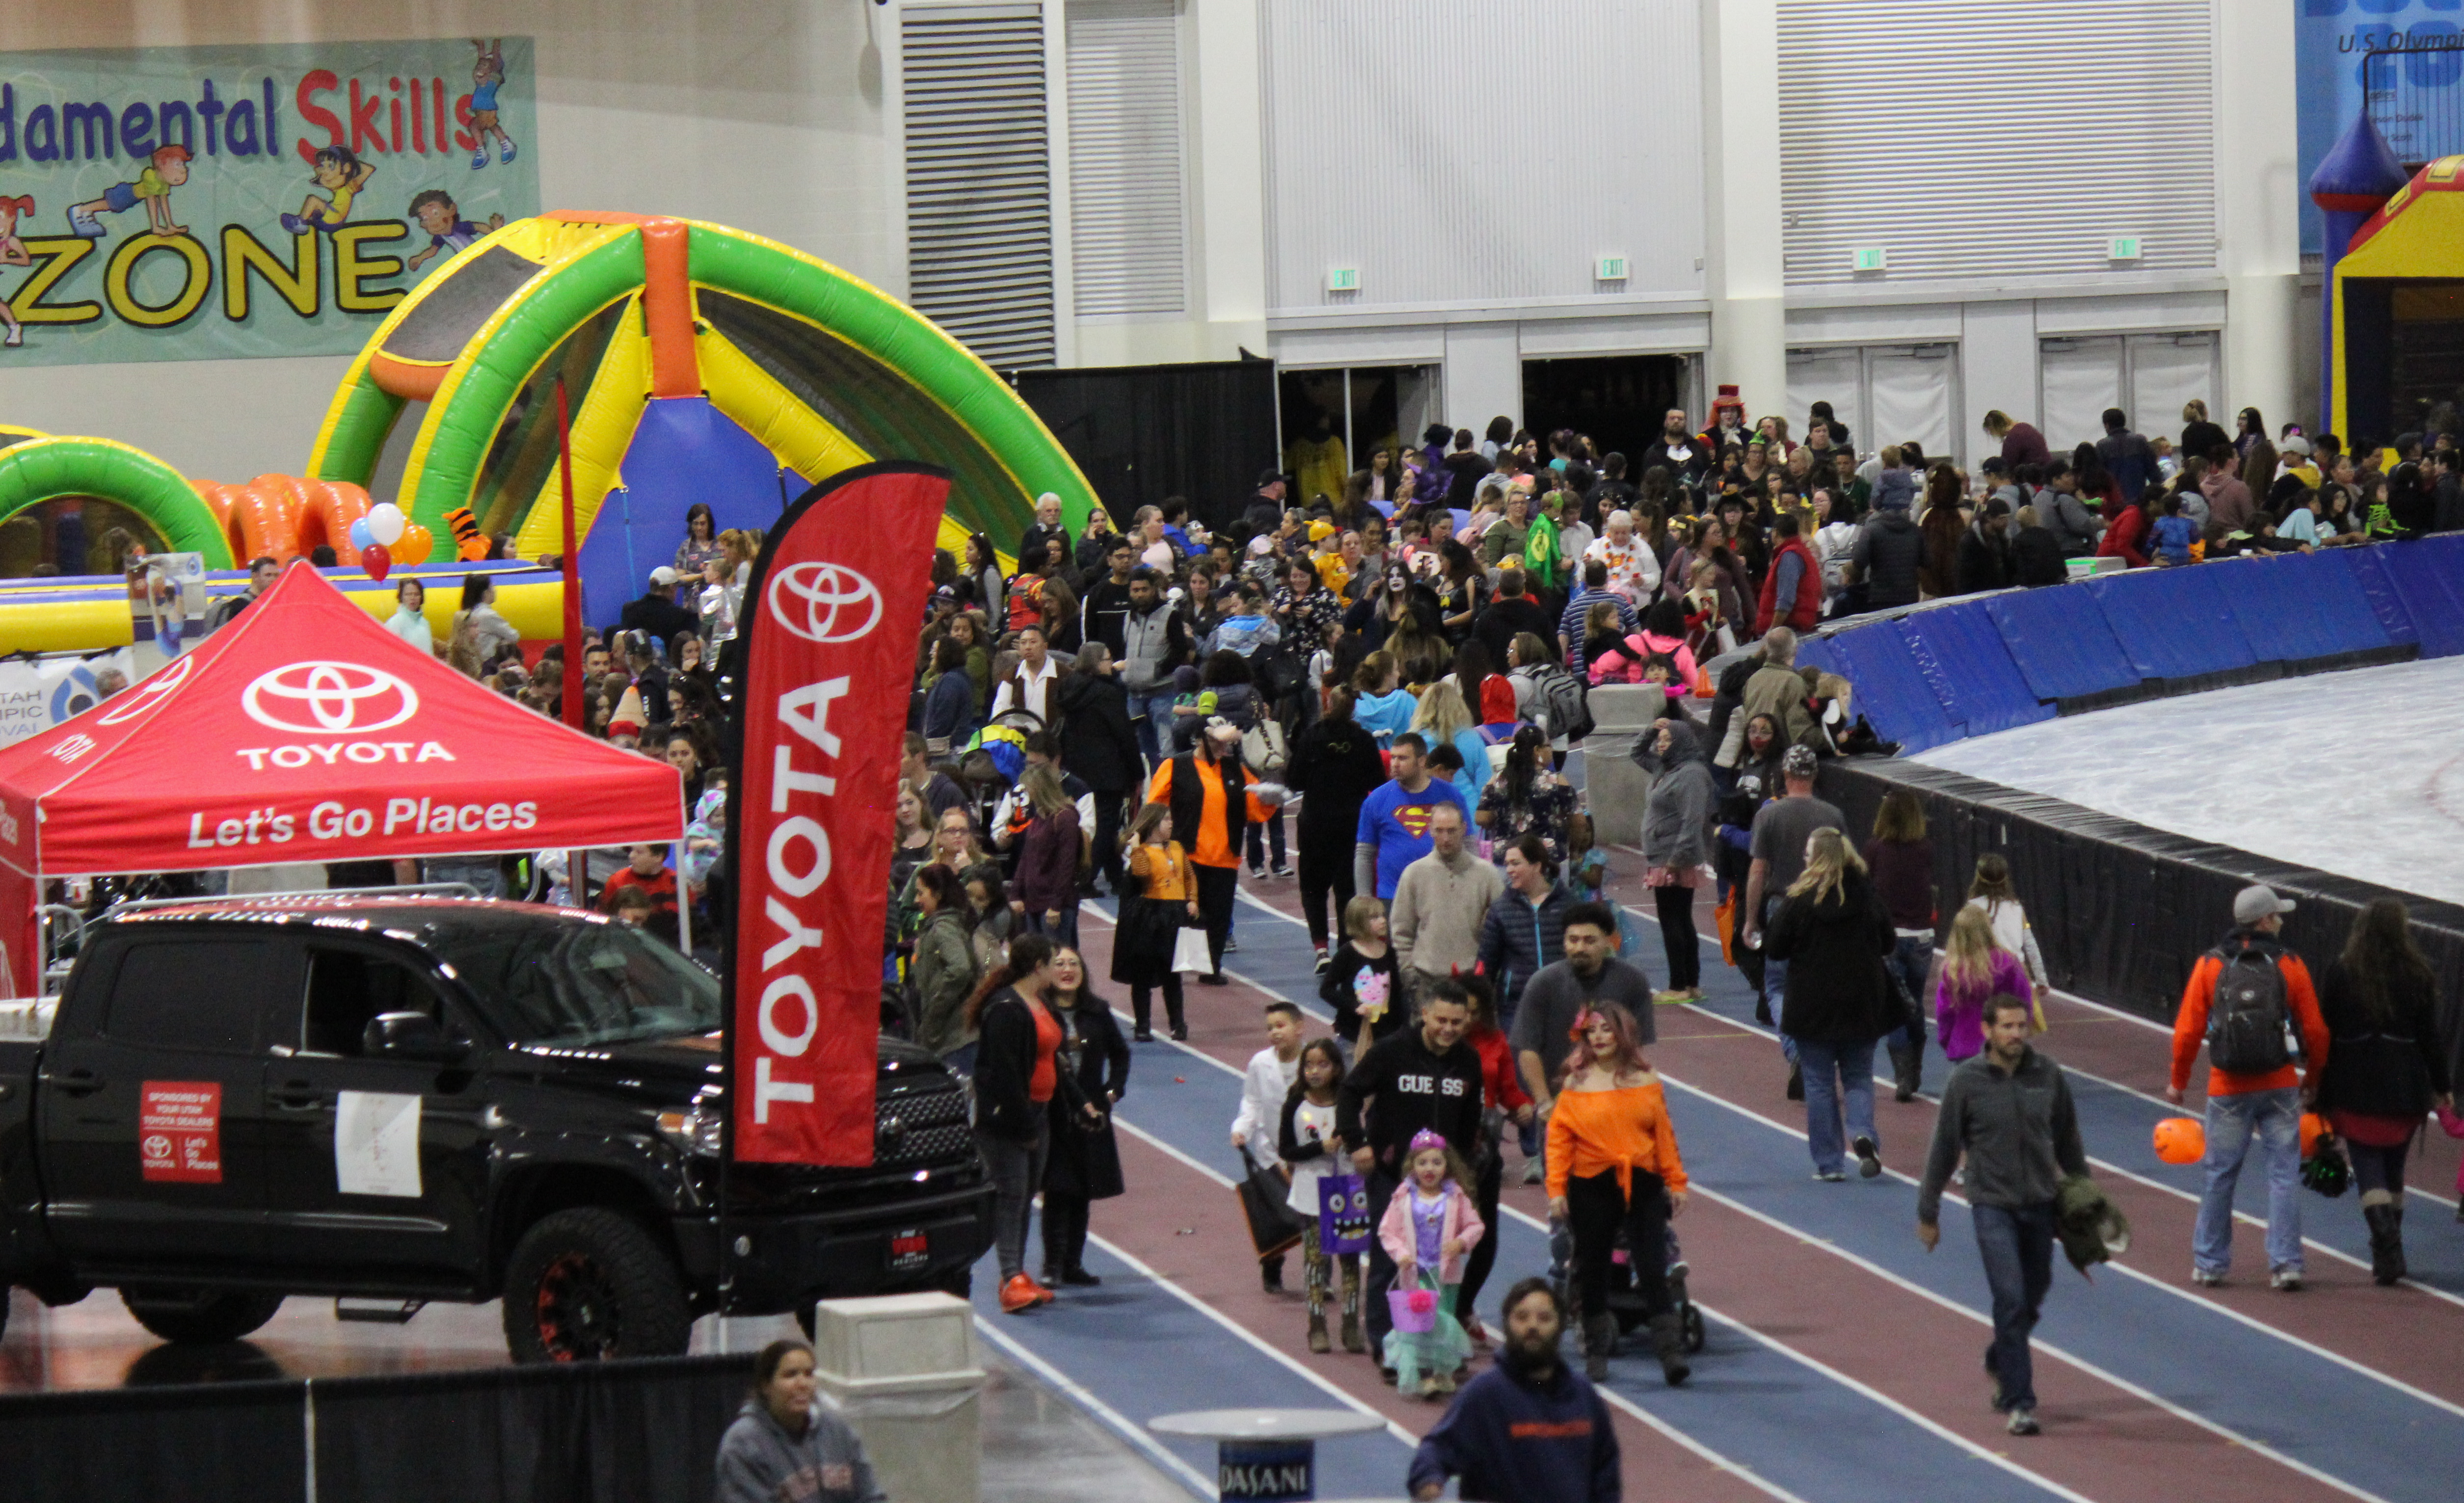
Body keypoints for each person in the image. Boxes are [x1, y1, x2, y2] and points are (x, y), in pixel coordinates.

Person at [1915, 996, 2090, 1439]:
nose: (2016, 1034)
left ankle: (1999, 1358)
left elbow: (2068, 1139)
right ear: (1987, 1030)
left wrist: (2086, 1197)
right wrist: (1928, 1211)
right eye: (2008, 1026)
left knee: (2033, 1294)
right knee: (2010, 1296)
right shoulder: (1966, 1082)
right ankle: (2020, 1402)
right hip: (1991, 1205)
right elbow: (1943, 1148)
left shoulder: (2047, 1074)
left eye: (2021, 1026)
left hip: (2041, 1204)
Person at [2166, 884, 2331, 1291]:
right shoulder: (2290, 963)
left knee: (2220, 1175)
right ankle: (2287, 1262)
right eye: (2277, 915)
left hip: (2228, 1088)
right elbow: (2316, 1030)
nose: (2281, 921)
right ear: (2263, 921)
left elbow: (2187, 1030)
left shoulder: (2210, 964)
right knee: (2284, 1175)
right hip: (2279, 1084)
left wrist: (2178, 1081)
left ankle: (2210, 1263)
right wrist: (2313, 1078)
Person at [1339, 979, 1486, 1372]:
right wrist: (1356, 1142)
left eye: (1457, 1022)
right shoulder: (1392, 1051)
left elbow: (1470, 1120)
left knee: (1440, 1267)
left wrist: (1464, 1172)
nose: (1449, 1029)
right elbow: (1350, 1091)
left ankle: (1432, 1344)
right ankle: (1387, 1346)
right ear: (1424, 1014)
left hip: (1443, 1184)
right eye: (1441, 1020)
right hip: (1394, 1175)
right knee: (1393, 1260)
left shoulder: (1468, 1061)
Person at [2312, 900, 2456, 1285]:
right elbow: (2431, 1039)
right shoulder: (2417, 973)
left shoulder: (2342, 969)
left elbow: (2325, 1030)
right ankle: (2389, 1248)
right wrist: (2443, 1086)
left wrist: (2316, 1084)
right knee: (2394, 1169)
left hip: (2353, 1085)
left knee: (2368, 1166)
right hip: (2405, 1087)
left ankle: (2388, 1247)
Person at [1548, 1002, 1691, 1385]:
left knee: (1653, 1267)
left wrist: (1676, 1181)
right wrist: (1556, 1190)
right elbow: (1558, 1142)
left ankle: (1671, 1353)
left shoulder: (1647, 1078)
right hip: (1591, 1185)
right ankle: (1597, 1352)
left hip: (1643, 1183)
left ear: (1622, 1033)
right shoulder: (1575, 1084)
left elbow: (1664, 1134)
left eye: (1606, 1029)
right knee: (1593, 1268)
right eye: (1592, 1031)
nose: (1598, 1037)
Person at [970, 934, 1103, 1313]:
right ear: (1038, 967)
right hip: (1010, 1120)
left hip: (1040, 1113)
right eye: (1053, 962)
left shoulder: (1039, 1002)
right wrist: (1024, 1126)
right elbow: (1005, 1076)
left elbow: (1055, 1061)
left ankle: (1017, 1274)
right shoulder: (1007, 1010)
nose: (1060, 968)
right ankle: (1010, 1276)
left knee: (1026, 1195)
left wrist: (1079, 1102)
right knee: (1011, 1195)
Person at [1409, 1278, 1621, 1503]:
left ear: (1560, 1327)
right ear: (1507, 1325)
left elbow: (1606, 1475)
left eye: (1544, 1318)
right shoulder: (1485, 1395)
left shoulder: (1584, 1397)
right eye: (1522, 1317)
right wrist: (1428, 1478)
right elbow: (1438, 1448)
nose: (1533, 1326)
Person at [1765, 828, 1897, 1181]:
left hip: (1813, 1007)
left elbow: (1775, 948)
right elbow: (1888, 942)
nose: (1804, 859)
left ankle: (1830, 1163)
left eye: (1808, 854)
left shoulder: (1799, 900)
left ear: (1817, 859)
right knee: (1859, 1076)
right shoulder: (1867, 896)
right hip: (1862, 1004)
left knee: (1819, 1083)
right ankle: (1863, 1133)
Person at [1146, 719, 1285, 986]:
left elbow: (1255, 808)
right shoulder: (1175, 766)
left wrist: (1271, 800)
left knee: (1219, 917)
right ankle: (1172, 963)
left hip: (1224, 857)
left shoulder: (1236, 770)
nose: (1223, 749)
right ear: (1200, 740)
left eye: (1226, 744)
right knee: (1181, 915)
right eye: (1216, 743)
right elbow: (1154, 807)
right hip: (1187, 855)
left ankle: (1211, 967)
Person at [1511, 901, 1658, 1128]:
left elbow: (1638, 1048)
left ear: (1608, 941)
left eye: (1590, 941)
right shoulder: (1543, 983)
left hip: (1614, 1106)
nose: (1580, 948)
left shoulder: (1632, 981)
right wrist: (1544, 1102)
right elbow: (1528, 1049)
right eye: (1573, 940)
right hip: (1559, 1106)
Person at [1040, 947, 1127, 1288]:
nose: (1067, 970)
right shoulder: (1041, 1011)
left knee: (1082, 1191)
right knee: (1057, 1190)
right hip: (1054, 1114)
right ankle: (1052, 1264)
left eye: (1073, 964)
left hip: (1092, 1115)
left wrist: (1113, 1091)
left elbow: (1121, 1054)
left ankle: (1073, 1263)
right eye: (1059, 964)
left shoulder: (1098, 1011)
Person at [1378, 1128, 1486, 1400]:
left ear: (1447, 1166)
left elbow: (1475, 1226)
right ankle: (1422, 1373)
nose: (1430, 1169)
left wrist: (1461, 1242)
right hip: (1416, 1274)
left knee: (1443, 1322)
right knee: (1418, 1324)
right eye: (1423, 1162)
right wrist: (1401, 1254)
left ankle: (1441, 1371)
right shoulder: (1404, 1197)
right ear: (1412, 1166)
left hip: (1445, 1274)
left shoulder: (1454, 1197)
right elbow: (1387, 1231)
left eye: (1437, 1163)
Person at [1742, 746, 1844, 1030]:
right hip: (1823, 904)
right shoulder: (1833, 815)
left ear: (1785, 774)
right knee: (1820, 975)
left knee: (1778, 982)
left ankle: (1791, 1038)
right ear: (1815, 774)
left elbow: (1758, 872)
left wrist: (1751, 920)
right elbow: (1845, 867)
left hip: (1782, 905)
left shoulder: (1768, 816)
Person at [714, 1339, 886, 1503]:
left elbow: (872, 1496)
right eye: (790, 1375)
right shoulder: (744, 1444)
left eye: (809, 1374)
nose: (802, 1384)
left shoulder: (837, 1430)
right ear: (766, 1386)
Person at [1288, 686, 1389, 967]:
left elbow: (1294, 780)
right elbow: (1377, 783)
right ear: (1354, 708)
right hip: (1352, 825)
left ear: (1328, 704)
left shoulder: (1311, 737)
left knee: (1313, 888)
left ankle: (1321, 949)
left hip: (1315, 824)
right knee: (1347, 889)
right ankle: (1346, 946)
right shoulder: (1364, 740)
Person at [1282, 1036, 1366, 1353]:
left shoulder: (1347, 1102)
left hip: (1346, 1189)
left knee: (1350, 1261)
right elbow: (1286, 1149)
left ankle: (1350, 1324)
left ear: (1337, 1068)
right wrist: (1321, 1147)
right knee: (1315, 1261)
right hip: (1312, 1192)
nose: (1315, 1071)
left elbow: (1361, 1137)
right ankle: (1317, 1325)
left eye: (1323, 1065)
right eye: (1309, 1065)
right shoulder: (1295, 1103)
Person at [1633, 719, 1715, 1003]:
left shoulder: (1691, 775)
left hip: (1673, 857)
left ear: (1682, 742)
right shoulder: (1665, 768)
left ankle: (1680, 985)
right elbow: (1636, 753)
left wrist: (1675, 860)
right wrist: (1651, 730)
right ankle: (1690, 984)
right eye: (1661, 740)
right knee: (1679, 918)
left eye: (1668, 739)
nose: (1662, 744)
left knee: (1673, 920)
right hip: (1665, 854)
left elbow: (1692, 821)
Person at [1863, 788, 1936, 1101]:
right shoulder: (1926, 849)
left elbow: (1865, 888)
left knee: (1893, 1006)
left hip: (1889, 937)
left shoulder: (1875, 849)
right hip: (1921, 937)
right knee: (1915, 1002)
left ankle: (1903, 1074)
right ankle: (1915, 1064)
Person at [1391, 803, 1504, 1004]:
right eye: (1439, 831)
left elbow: (1502, 930)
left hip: (1473, 983)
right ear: (1430, 830)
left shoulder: (1487, 875)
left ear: (1464, 829)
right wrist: (1409, 975)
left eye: (1452, 831)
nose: (1445, 838)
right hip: (1426, 983)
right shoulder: (1413, 874)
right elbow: (1401, 932)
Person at [1233, 1002, 1308, 1292]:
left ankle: (1320, 1275)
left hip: (1308, 1152)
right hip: (1271, 1152)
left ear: (1299, 1027)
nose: (1275, 1032)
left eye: (1281, 1025)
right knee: (1274, 1213)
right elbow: (1252, 1101)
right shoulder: (1260, 1064)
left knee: (1316, 1216)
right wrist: (1242, 1129)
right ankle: (1272, 1266)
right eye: (1270, 1028)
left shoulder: (1314, 1060)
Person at [1476, 835, 1572, 1042]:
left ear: (1537, 866)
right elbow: (1486, 964)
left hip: (1563, 1004)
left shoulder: (1569, 905)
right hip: (1516, 1008)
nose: (1509, 870)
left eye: (1515, 863)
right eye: (1507, 865)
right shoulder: (1501, 909)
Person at [1112, 803, 1196, 1040]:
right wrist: (1137, 848)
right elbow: (1142, 874)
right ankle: (1142, 1026)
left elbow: (1189, 876)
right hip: (1148, 918)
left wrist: (1193, 900)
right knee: (1142, 974)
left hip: (1174, 915)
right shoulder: (1139, 851)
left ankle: (1178, 1024)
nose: (1171, 823)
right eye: (1166, 820)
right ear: (1153, 824)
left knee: (1173, 973)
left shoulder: (1177, 848)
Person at [1356, 734, 1473, 902]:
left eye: (1403, 758)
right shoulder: (1376, 799)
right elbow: (1365, 853)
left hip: (1443, 896)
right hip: (1392, 897)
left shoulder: (1451, 795)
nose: (1395, 764)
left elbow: (1468, 844)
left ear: (1422, 761)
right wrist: (1364, 898)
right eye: (1393, 757)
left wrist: (1470, 888)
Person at [1936, 906, 2032, 1070]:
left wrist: (1948, 1042)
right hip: (2003, 1047)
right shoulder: (2009, 964)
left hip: (1965, 1048)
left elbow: (1945, 1013)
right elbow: (2025, 1004)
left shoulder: (1952, 971)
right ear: (1988, 930)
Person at [909, 865, 979, 1066]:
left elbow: (960, 970)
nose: (916, 900)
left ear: (938, 894)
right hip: (954, 1040)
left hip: (954, 1042)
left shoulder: (943, 929)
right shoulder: (946, 925)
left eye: (921, 893)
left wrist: (936, 1007)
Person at [1010, 764, 1082, 947]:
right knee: (1037, 957)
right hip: (1033, 901)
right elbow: (1026, 858)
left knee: (1058, 955)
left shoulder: (1065, 818)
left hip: (1054, 904)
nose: (1026, 793)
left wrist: (1056, 905)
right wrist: (1015, 894)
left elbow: (1067, 864)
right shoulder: (1038, 818)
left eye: (1028, 788)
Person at [1323, 896, 1403, 1055]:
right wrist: (1354, 1006)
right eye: (1375, 917)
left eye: (1382, 915)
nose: (1383, 920)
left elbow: (1396, 992)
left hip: (1386, 1032)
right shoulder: (1347, 953)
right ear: (1359, 922)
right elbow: (1326, 990)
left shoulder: (1389, 953)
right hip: (1354, 1032)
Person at [207, 555, 282, 633]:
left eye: (276, 575)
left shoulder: (273, 603)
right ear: (255, 577)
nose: (273, 579)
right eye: (268, 575)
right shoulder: (239, 606)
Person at [383, 577, 433, 654]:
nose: (413, 598)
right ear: (401, 597)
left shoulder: (425, 623)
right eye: (408, 594)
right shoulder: (395, 623)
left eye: (416, 594)